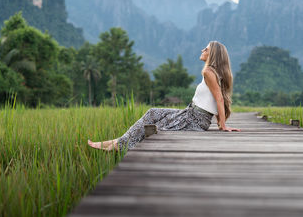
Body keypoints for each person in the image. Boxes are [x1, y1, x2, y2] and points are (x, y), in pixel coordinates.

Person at [88, 41, 241, 151]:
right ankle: (117, 142)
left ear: (212, 54)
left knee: (157, 128)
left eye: (206, 49)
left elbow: (219, 99)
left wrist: (223, 125)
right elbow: (215, 99)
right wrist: (221, 123)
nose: (202, 50)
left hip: (194, 120)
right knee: (153, 112)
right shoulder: (213, 73)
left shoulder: (209, 72)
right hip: (190, 114)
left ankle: (117, 145)